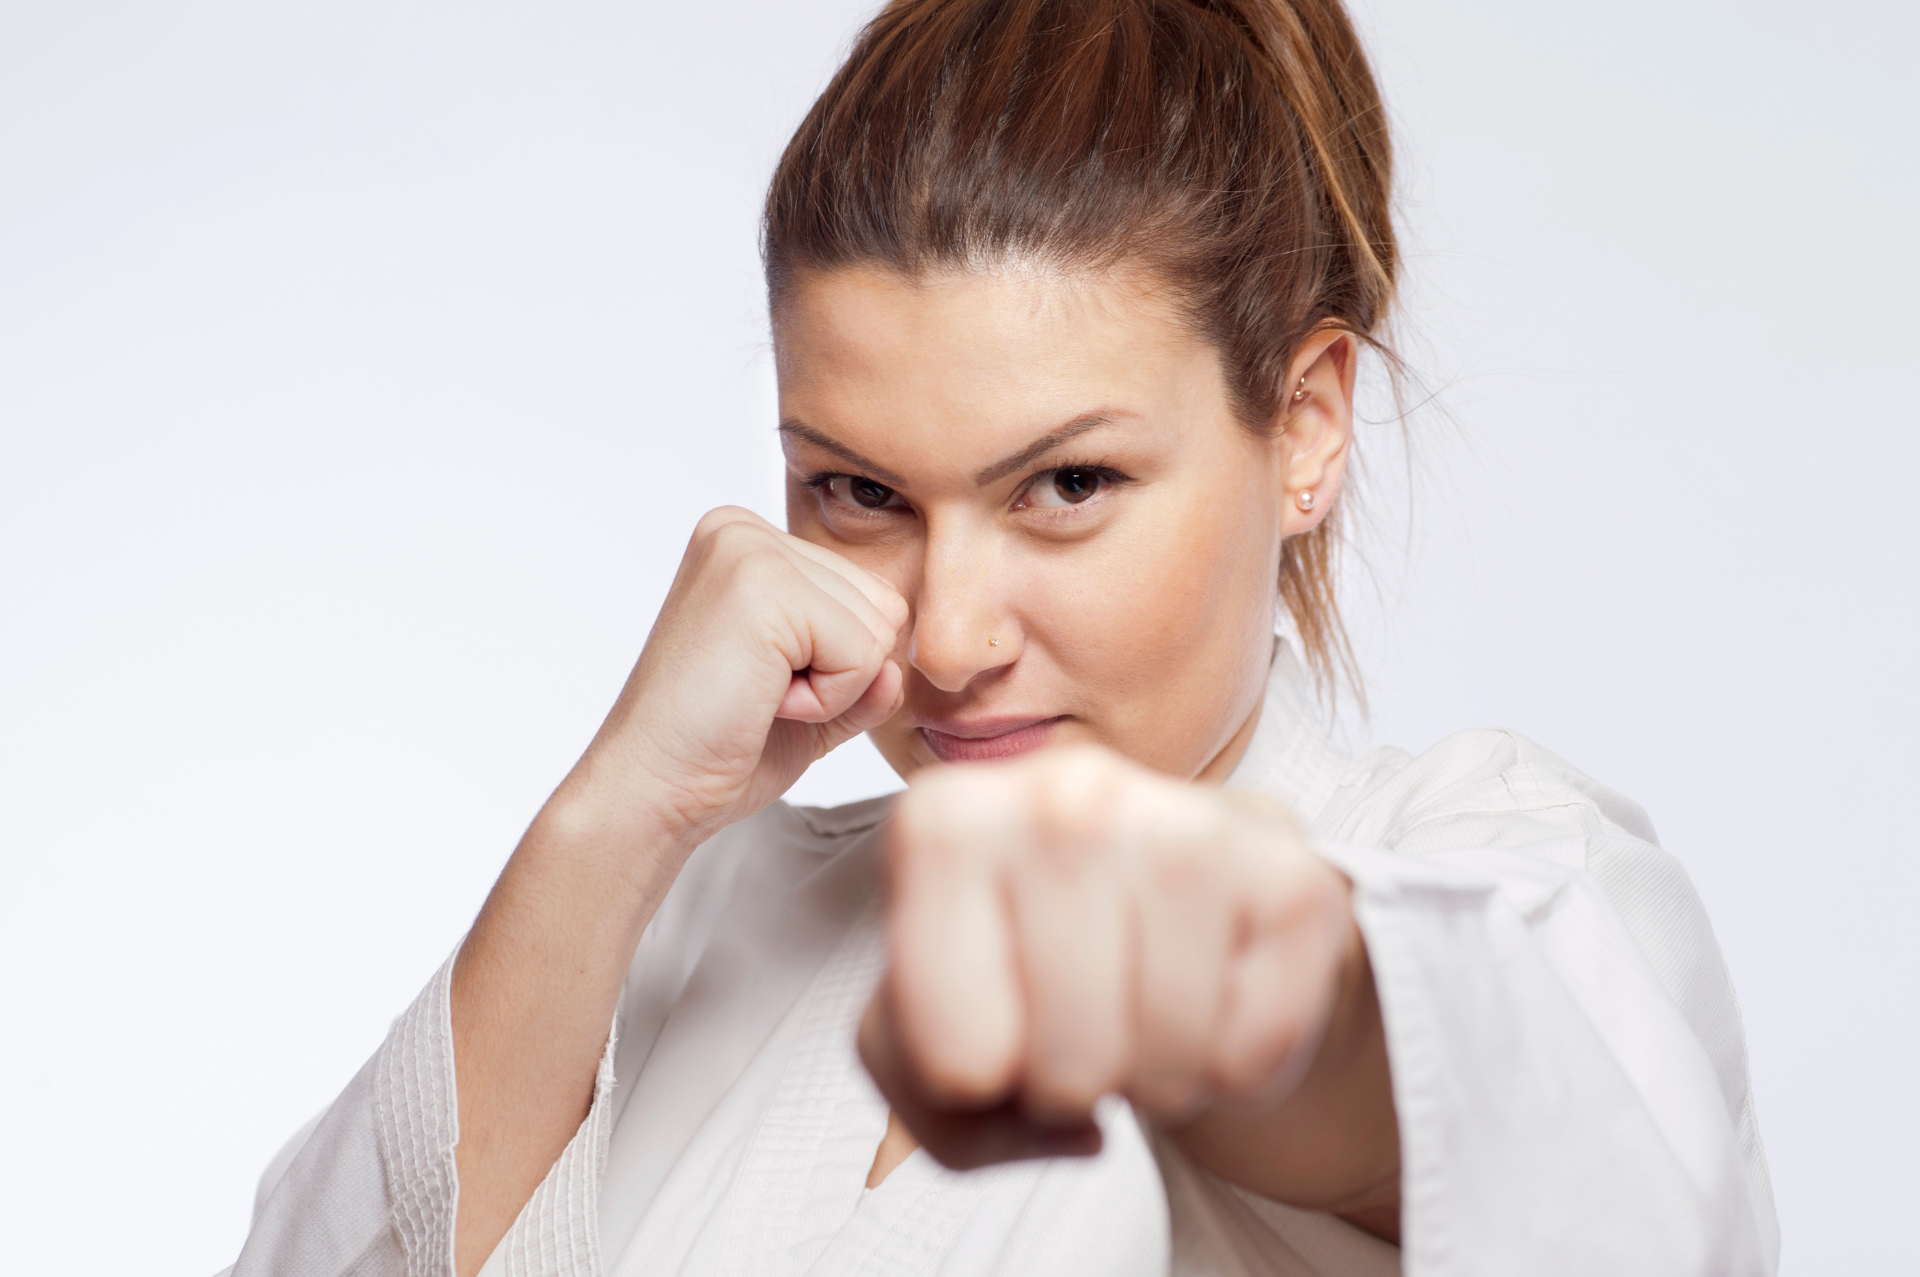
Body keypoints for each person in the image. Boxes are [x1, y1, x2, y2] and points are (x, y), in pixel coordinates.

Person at [225, 1, 1779, 1274]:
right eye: (856, 490)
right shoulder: (713, 920)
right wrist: (613, 816)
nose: (951, 635)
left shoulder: (1511, 880)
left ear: (1304, 426)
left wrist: (1219, 989)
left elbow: (1515, 1125)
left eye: (1067, 485)